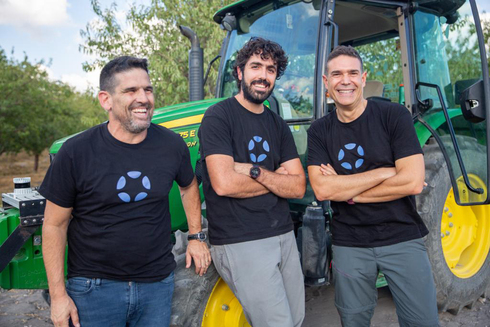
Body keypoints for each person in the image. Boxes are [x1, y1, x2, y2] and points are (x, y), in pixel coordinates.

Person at [40, 56, 211, 327]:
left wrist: (196, 235)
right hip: (94, 291)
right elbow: (54, 225)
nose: (143, 98)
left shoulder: (171, 144)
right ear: (105, 100)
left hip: (156, 286)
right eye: (130, 91)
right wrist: (59, 296)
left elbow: (189, 186)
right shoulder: (76, 153)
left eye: (147, 89)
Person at [307, 45, 439, 326]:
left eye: (353, 73)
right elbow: (322, 190)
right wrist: (385, 172)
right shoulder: (319, 131)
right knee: (353, 320)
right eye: (337, 74)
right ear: (326, 81)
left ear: (364, 78)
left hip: (402, 236)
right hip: (350, 243)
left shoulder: (394, 116)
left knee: (423, 321)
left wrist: (349, 193)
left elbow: (413, 181)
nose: (346, 81)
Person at [198, 37, 306, 327]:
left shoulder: (277, 124)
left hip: (283, 234)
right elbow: (224, 184)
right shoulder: (218, 117)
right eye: (256, 66)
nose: (263, 75)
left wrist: (255, 171)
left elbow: (298, 186)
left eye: (271, 69)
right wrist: (277, 179)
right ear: (239, 72)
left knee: (296, 320)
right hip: (241, 239)